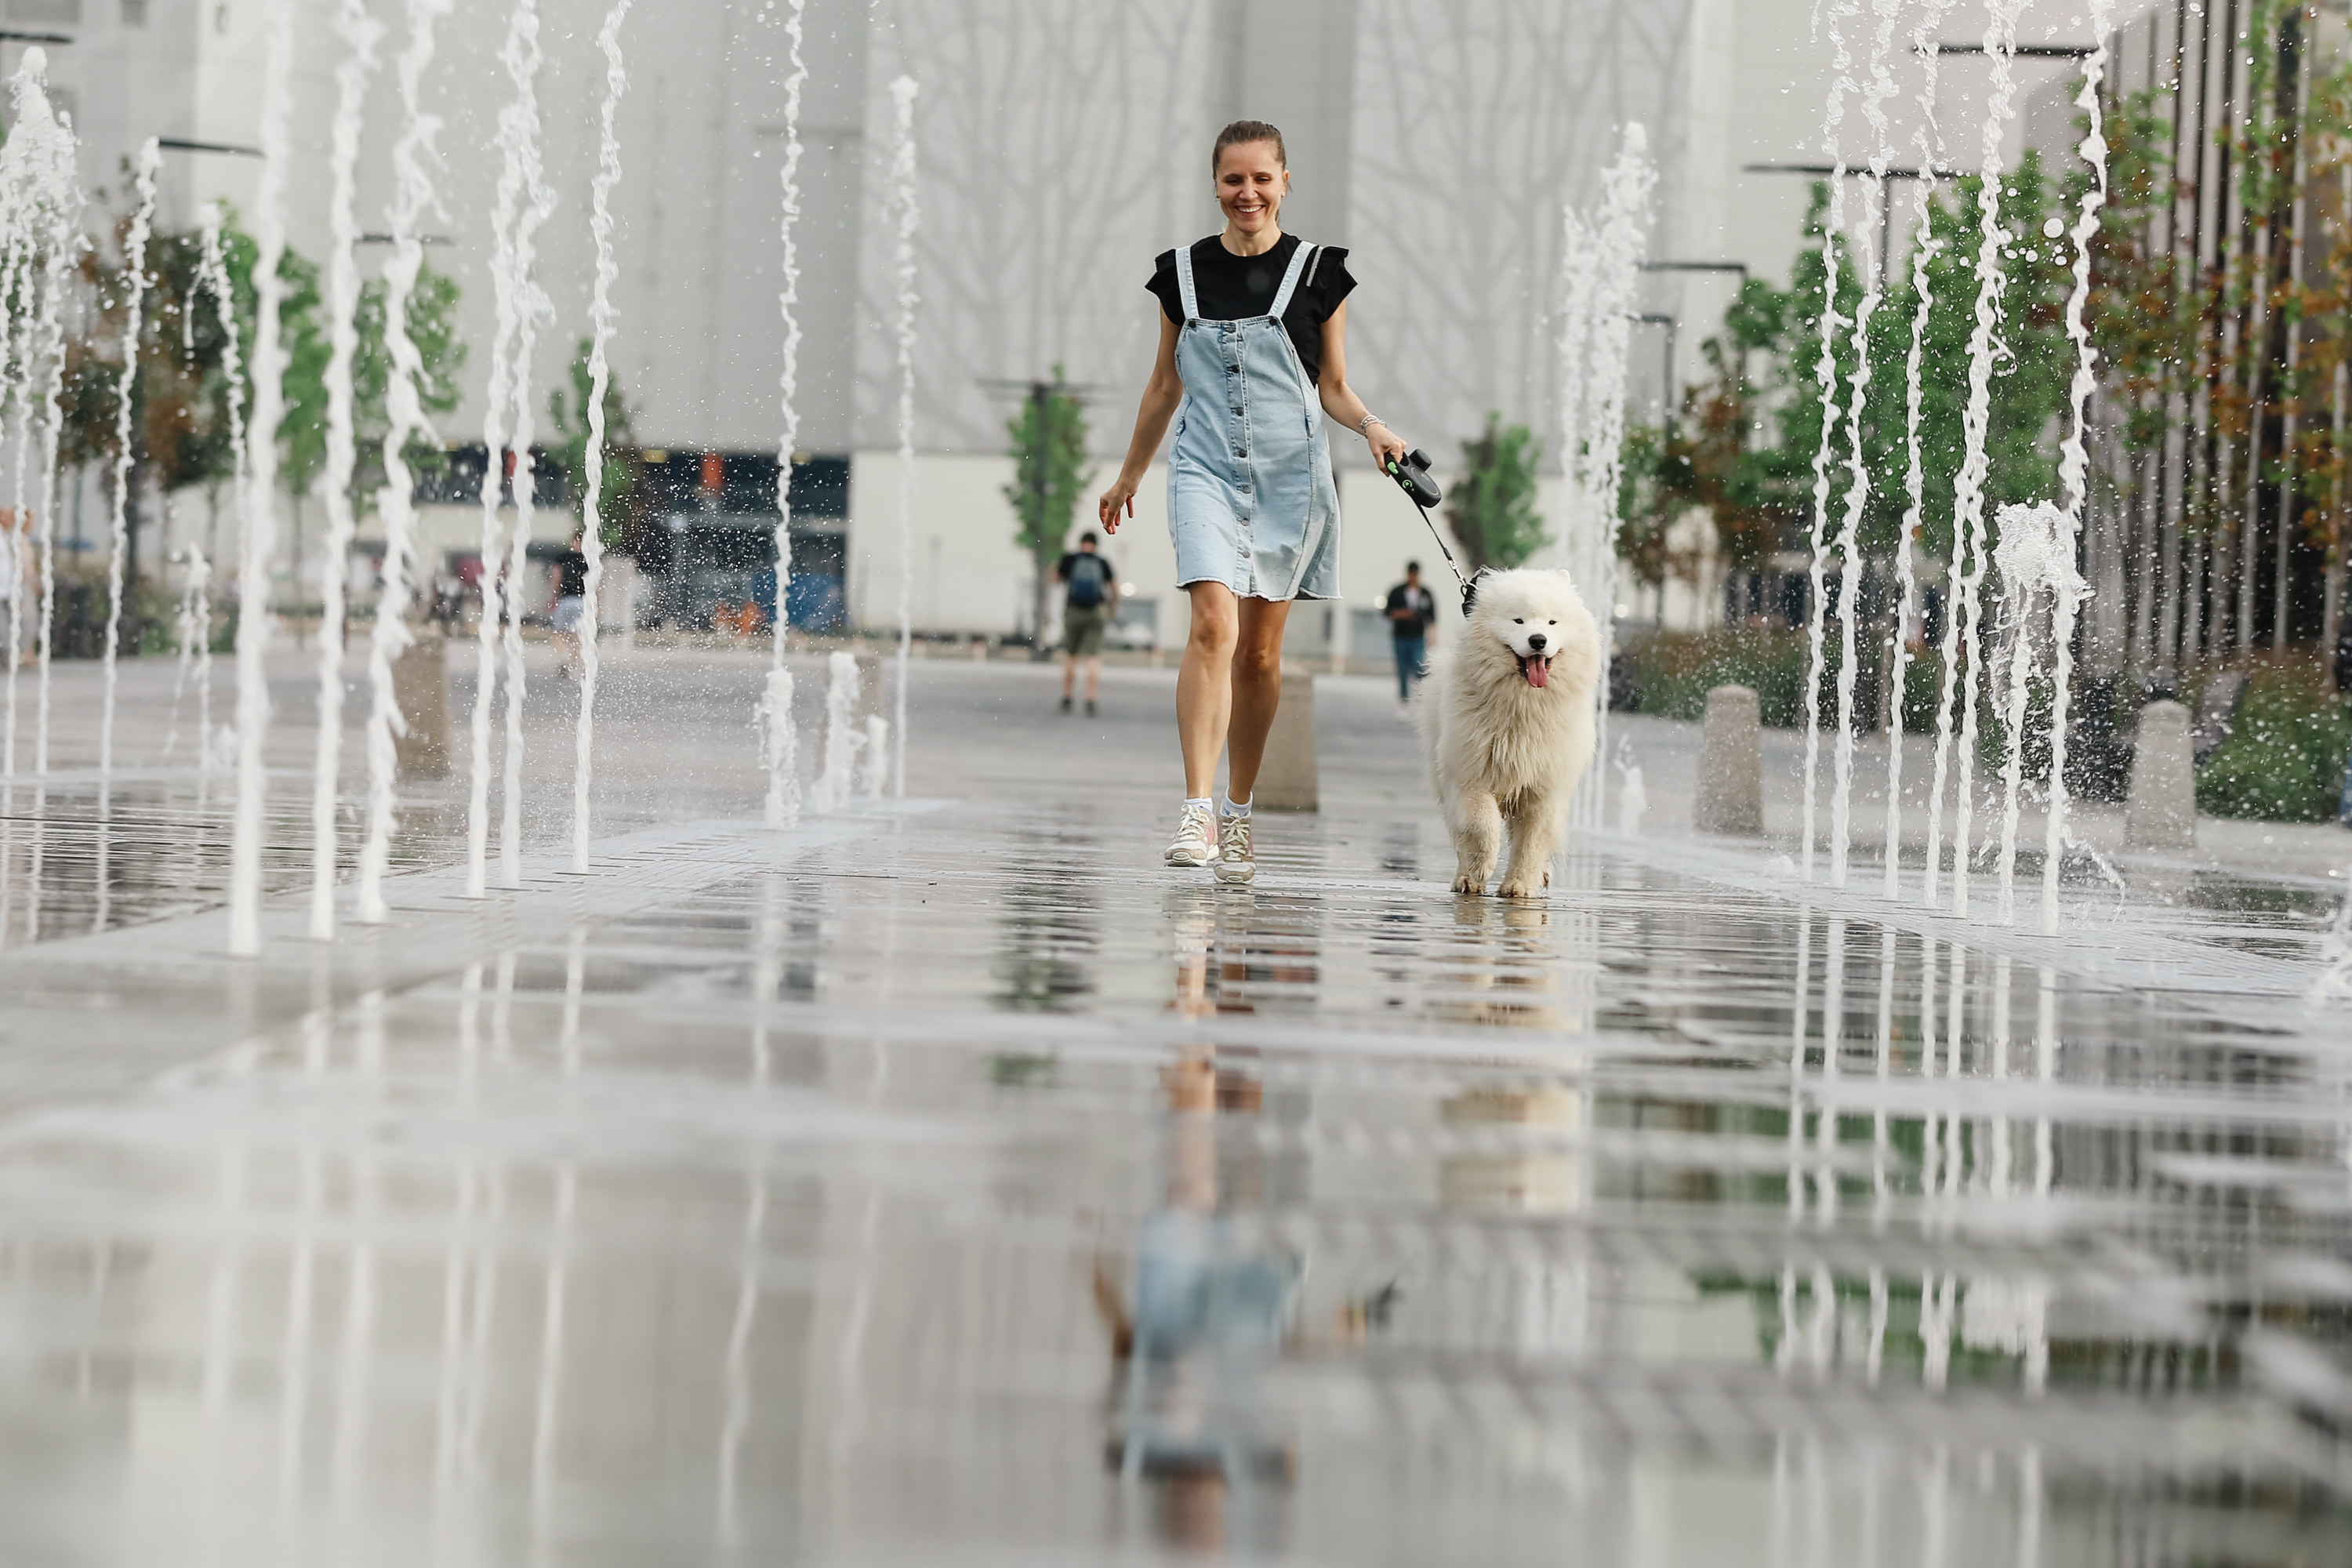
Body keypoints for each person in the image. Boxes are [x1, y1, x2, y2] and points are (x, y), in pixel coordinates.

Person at [1099, 118, 1409, 884]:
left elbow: (1332, 386)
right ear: (1215, 183)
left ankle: (1239, 808)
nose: (1248, 193)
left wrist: (1372, 427)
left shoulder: (1319, 273)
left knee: (1262, 655)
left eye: (1262, 178)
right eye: (1234, 179)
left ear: (1285, 181)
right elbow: (1165, 385)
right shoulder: (1181, 273)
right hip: (1203, 467)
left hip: (1290, 480)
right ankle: (1196, 808)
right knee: (1212, 624)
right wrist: (1130, 475)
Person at [1056, 530, 1117, 716]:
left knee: (1071, 655)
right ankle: (1091, 699)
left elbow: (1055, 579)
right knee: (1093, 657)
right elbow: (1114, 587)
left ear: (1081, 542)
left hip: (1074, 610)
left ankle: (1067, 697)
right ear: (1096, 545)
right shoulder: (1102, 562)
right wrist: (1112, 608)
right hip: (1096, 611)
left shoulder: (1071, 559)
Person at [1383, 561, 1436, 706]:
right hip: (1400, 636)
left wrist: (1433, 635)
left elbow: (1432, 617)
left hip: (1417, 636)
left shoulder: (1425, 593)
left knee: (1418, 665)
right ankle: (1403, 699)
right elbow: (1388, 612)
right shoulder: (1397, 591)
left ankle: (1420, 695)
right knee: (1402, 668)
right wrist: (1404, 614)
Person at [550, 528, 589, 678]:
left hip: (566, 600)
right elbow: (596, 585)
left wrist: (554, 596)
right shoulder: (589, 559)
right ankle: (573, 663)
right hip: (582, 602)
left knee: (558, 632)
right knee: (576, 634)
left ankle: (563, 658)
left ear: (573, 541)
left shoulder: (562, 557)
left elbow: (556, 578)